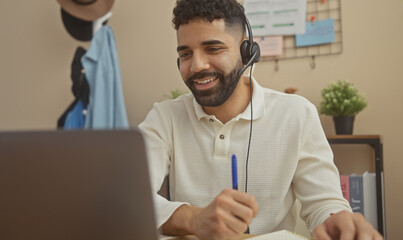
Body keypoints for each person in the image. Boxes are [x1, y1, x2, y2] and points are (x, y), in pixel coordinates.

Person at [139, 0, 383, 239]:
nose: (196, 66)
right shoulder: (164, 117)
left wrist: (336, 220)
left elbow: (323, 202)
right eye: (186, 53)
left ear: (247, 52)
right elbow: (129, 196)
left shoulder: (297, 114)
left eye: (213, 49)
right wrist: (195, 219)